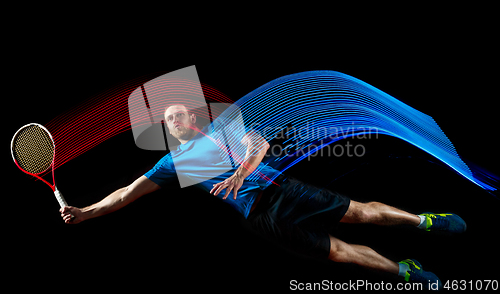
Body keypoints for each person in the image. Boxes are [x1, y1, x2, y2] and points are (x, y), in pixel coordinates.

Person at [60, 104, 466, 289]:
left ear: (192, 118)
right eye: (168, 119)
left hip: (281, 190)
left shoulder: (221, 131)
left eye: (180, 113)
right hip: (260, 216)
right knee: (338, 253)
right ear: (168, 129)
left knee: (359, 214)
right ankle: (403, 271)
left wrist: (241, 172)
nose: (175, 119)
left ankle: (423, 221)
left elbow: (258, 145)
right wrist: (86, 213)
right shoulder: (172, 164)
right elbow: (126, 194)